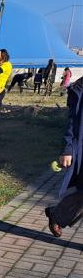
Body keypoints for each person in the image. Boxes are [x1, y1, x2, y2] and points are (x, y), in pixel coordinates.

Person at [45, 77, 83, 237]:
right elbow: (73, 122)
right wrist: (68, 149)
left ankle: (57, 214)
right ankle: (57, 214)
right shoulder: (79, 90)